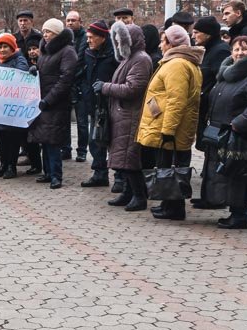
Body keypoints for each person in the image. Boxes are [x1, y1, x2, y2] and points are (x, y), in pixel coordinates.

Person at [199, 37, 247, 229]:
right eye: (236, 49)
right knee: (226, 172)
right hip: (221, 133)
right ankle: (231, 209)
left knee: (239, 173)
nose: (239, 53)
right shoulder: (225, 74)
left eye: (244, 49)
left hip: (241, 135)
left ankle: (240, 215)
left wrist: (239, 123)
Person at [136, 25, 202, 221]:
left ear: (172, 43)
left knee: (172, 168)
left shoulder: (177, 65)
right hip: (173, 126)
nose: (160, 44)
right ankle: (168, 204)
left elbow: (176, 100)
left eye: (163, 40)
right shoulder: (180, 62)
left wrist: (168, 130)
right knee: (169, 168)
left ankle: (174, 208)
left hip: (172, 128)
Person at [98, 22, 153, 211]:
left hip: (131, 115)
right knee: (125, 159)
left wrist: (106, 87)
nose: (116, 42)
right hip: (124, 115)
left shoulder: (140, 59)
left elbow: (133, 89)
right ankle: (129, 193)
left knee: (130, 159)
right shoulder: (129, 59)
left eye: (119, 39)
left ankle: (139, 196)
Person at [26, 19, 77, 189]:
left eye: (48, 32)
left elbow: (65, 79)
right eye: (44, 31)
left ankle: (56, 175)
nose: (45, 34)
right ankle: (48, 172)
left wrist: (49, 99)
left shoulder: (67, 51)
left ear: (57, 34)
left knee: (53, 140)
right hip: (43, 101)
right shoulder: (45, 51)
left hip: (55, 103)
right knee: (44, 139)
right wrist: (35, 70)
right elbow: (45, 72)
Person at [192, 14, 232, 211]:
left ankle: (215, 198)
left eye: (197, 32)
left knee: (214, 155)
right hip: (205, 108)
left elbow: (217, 80)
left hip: (213, 111)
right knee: (208, 154)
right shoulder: (208, 50)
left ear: (207, 34)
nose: (194, 35)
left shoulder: (220, 51)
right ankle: (208, 195)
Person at [80, 20, 117, 188]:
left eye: (92, 37)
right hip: (93, 103)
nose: (88, 40)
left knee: (114, 142)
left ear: (102, 37)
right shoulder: (88, 53)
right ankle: (99, 173)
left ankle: (120, 178)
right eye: (87, 37)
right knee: (95, 140)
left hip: (111, 103)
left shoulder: (114, 55)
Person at [0, 33, 30, 179]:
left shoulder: (20, 60)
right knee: (1, 137)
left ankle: (11, 166)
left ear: (12, 48)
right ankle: (3, 165)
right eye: (0, 47)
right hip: (0, 108)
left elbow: (21, 75)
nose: (2, 50)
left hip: (12, 110)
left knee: (12, 139)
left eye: (5, 46)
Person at [64, 11, 89, 162]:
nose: (70, 23)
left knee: (82, 122)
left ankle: (82, 151)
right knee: (64, 120)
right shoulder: (64, 39)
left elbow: (80, 61)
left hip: (80, 84)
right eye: (68, 20)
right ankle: (66, 149)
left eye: (73, 20)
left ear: (80, 21)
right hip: (67, 84)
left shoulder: (86, 38)